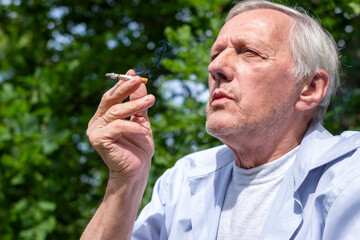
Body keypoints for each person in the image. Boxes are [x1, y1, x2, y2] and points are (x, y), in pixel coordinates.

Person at [81, 0, 360, 239]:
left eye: (248, 52)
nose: (215, 67)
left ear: (309, 89)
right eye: (216, 54)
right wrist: (126, 181)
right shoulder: (184, 181)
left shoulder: (350, 174)